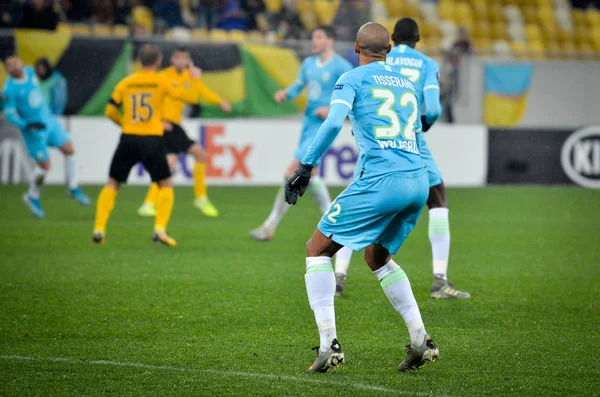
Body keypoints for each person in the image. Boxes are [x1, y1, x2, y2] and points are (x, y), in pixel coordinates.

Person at [285, 22, 439, 373]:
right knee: (376, 255)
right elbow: (419, 133)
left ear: (356, 48)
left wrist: (306, 167)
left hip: (381, 181)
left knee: (316, 249)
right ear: (389, 49)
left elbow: (332, 122)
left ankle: (329, 346)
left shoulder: (352, 79)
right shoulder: (409, 84)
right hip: (417, 181)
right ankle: (420, 341)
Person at [335, 18, 471, 299]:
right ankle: (439, 280)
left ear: (392, 40)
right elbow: (433, 110)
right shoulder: (426, 64)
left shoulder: (377, 60)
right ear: (417, 38)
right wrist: (420, 128)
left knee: (354, 203)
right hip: (411, 142)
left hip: (375, 141)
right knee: (438, 200)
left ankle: (339, 275)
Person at [249, 25, 354, 272]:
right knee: (306, 175)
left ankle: (271, 225)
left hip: (324, 127)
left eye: (318, 37)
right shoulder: (308, 64)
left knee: (292, 174)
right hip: (308, 125)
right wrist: (286, 93)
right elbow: (299, 86)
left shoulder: (341, 68)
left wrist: (331, 110)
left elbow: (352, 99)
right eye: (313, 36)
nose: (314, 41)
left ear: (330, 40)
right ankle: (332, 216)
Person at [92, 44, 198, 246]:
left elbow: (109, 111)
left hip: (129, 138)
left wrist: (125, 124)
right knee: (165, 184)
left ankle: (99, 231)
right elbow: (190, 98)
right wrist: (192, 79)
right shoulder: (162, 81)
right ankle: (159, 231)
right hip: (152, 139)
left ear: (139, 61)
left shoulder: (126, 83)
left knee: (113, 184)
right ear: (158, 62)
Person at [137, 47, 232, 218]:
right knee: (199, 155)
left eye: (184, 58)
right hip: (165, 124)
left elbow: (202, 92)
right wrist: (158, 120)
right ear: (172, 60)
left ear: (188, 60)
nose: (181, 61)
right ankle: (200, 198)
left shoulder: (189, 76)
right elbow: (180, 98)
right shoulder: (164, 76)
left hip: (173, 125)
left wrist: (220, 102)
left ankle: (149, 203)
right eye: (178, 58)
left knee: (170, 164)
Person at [2, 53, 90, 218]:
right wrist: (26, 124)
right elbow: (10, 115)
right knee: (45, 167)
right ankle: (32, 196)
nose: (14, 66)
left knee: (69, 150)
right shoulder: (9, 90)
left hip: (49, 121)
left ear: (21, 62)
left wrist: (48, 70)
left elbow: (44, 77)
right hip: (34, 130)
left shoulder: (29, 72)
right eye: (10, 65)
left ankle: (73, 187)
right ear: (6, 69)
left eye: (16, 62)